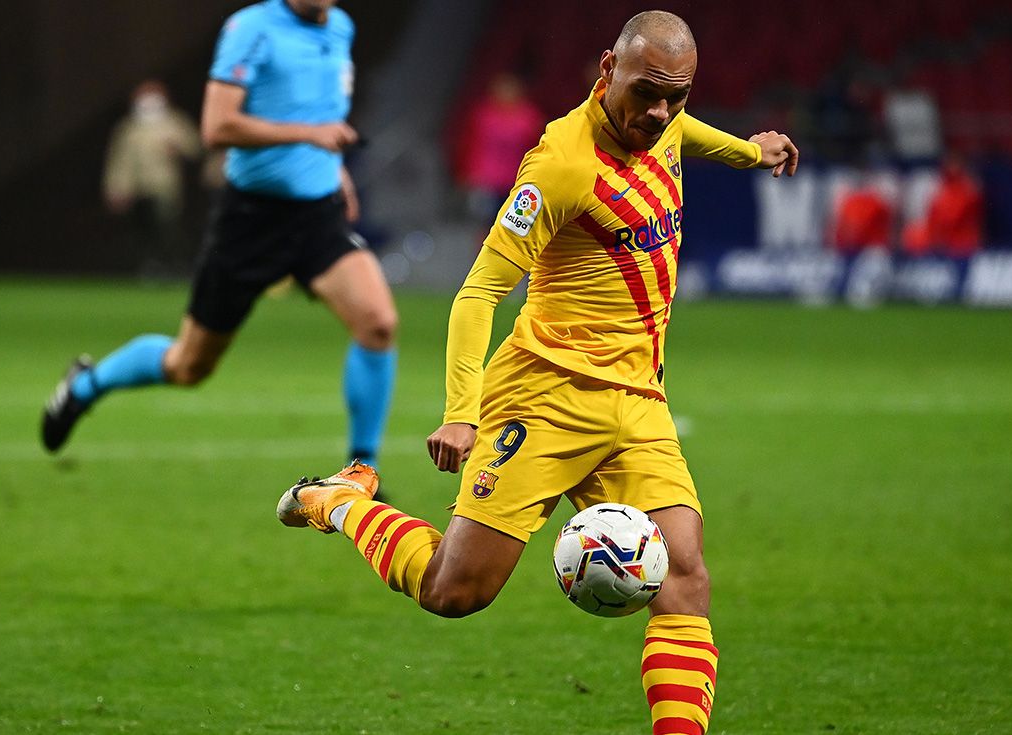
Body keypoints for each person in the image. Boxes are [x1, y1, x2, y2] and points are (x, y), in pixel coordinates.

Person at [275, 12, 797, 734]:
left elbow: (688, 131)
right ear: (606, 67)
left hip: (637, 400)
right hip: (543, 399)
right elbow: (478, 292)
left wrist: (748, 151)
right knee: (453, 590)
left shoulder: (663, 118)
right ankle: (338, 500)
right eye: (648, 92)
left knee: (685, 576)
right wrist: (462, 408)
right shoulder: (559, 164)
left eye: (675, 96)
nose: (660, 112)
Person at [41, 0, 398, 471]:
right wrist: (307, 135)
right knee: (189, 366)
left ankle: (361, 471)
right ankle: (86, 385)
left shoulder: (341, 28)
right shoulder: (252, 28)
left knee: (378, 323)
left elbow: (323, 112)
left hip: (317, 216)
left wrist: (337, 173)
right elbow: (218, 126)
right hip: (250, 220)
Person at [102, 79, 203, 273]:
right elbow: (120, 161)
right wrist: (116, 187)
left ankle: (176, 264)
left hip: (166, 186)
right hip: (138, 187)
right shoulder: (129, 128)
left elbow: (194, 147)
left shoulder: (175, 122)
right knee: (143, 229)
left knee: (168, 226)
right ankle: (150, 265)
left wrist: (177, 148)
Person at [455, 72, 545, 223]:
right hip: (484, 183)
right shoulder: (483, 115)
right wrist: (466, 173)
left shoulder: (529, 118)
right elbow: (469, 146)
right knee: (482, 224)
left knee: (510, 225)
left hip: (515, 182)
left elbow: (537, 149)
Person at [902, 154, 984, 257]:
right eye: (950, 164)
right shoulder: (940, 188)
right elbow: (934, 217)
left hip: (964, 247)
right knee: (914, 234)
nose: (952, 167)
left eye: (955, 164)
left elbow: (952, 218)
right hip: (943, 247)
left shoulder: (969, 189)